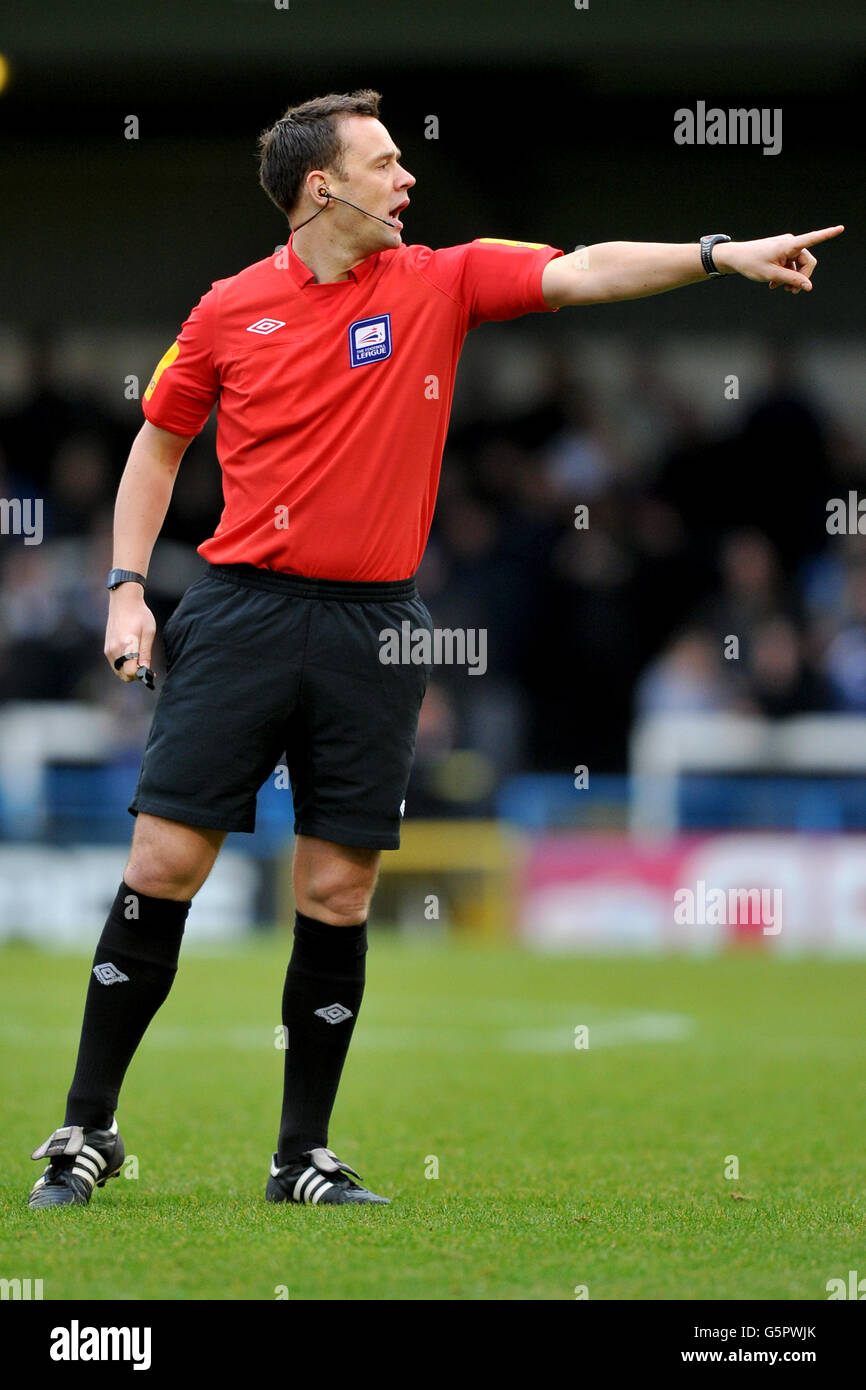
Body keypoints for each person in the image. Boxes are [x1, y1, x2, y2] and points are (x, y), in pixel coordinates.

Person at [27, 87, 843, 1209]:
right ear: (322, 188)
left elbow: (582, 267)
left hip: (371, 626)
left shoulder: (437, 280)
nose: (408, 178)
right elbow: (157, 447)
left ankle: (299, 1155)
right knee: (163, 866)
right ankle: (85, 1129)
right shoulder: (225, 311)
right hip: (237, 612)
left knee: (336, 890)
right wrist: (126, 589)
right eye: (386, 162)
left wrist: (716, 254)